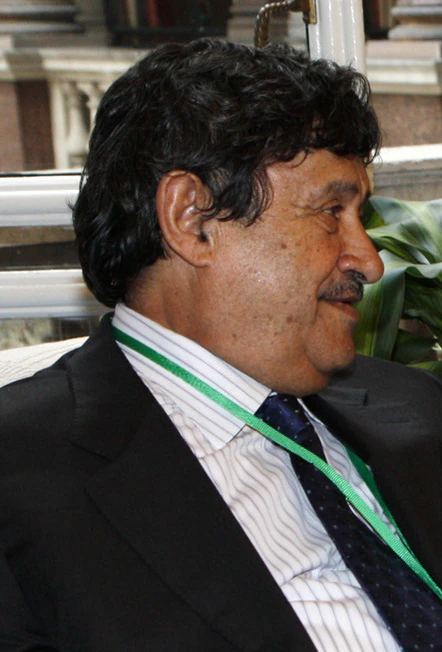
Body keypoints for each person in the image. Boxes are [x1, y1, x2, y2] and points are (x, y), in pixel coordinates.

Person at [0, 38, 441, 652]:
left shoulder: (412, 403)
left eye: (359, 216)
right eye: (330, 212)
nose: (368, 260)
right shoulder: (21, 477)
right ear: (194, 219)